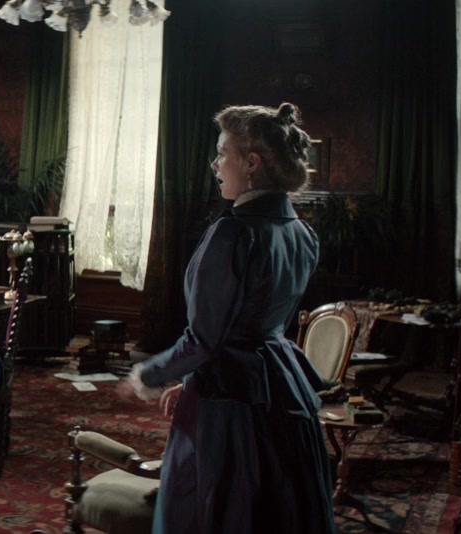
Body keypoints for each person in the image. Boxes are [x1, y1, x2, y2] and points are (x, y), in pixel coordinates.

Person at [118, 102, 336, 533]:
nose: (214, 164)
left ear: (252, 163)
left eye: (222, 153)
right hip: (281, 391)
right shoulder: (302, 233)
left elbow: (205, 339)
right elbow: (252, 325)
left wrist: (149, 374)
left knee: (220, 512)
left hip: (231, 409)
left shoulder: (233, 232)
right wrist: (190, 382)